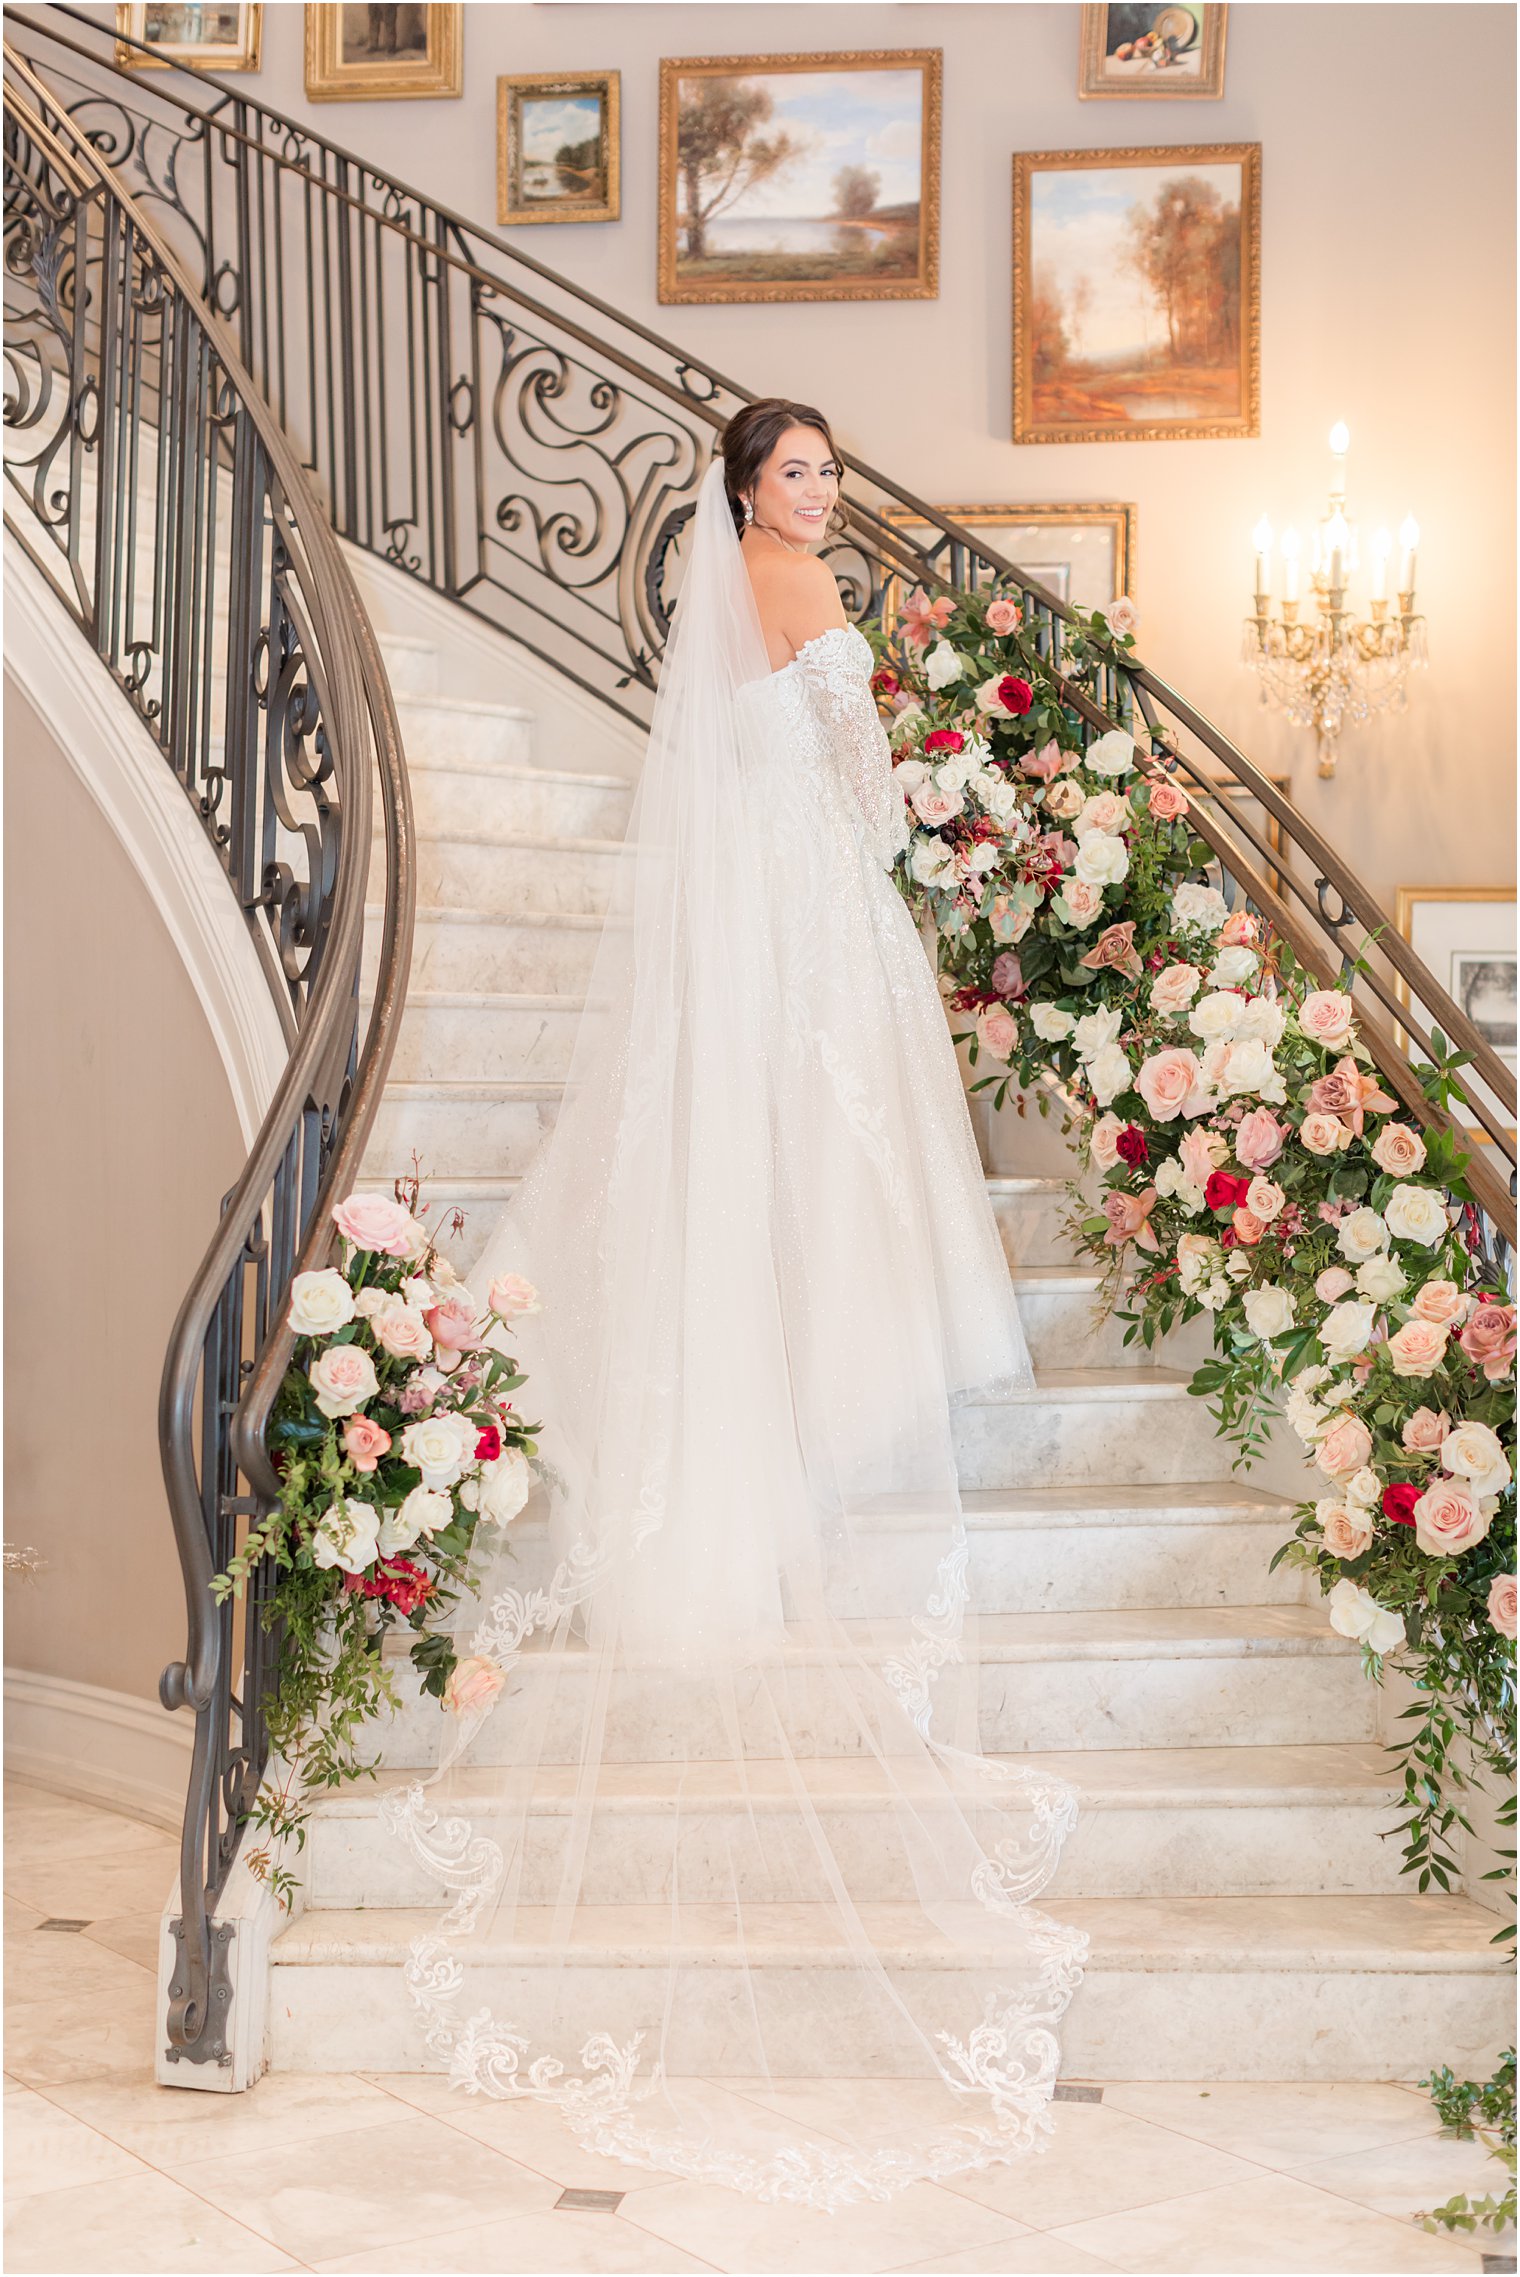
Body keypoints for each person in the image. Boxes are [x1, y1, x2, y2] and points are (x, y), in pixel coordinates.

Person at [381, 399, 1087, 2210]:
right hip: (817, 916)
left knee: (789, 1177)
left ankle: (769, 1434)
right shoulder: (798, 588)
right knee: (825, 1178)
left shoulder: (743, 593)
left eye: (830, 470)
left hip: (778, 912)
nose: (821, 492)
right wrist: (905, 838)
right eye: (797, 471)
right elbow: (854, 773)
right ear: (749, 490)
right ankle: (799, 1426)